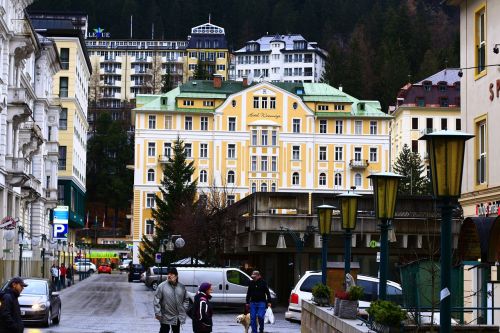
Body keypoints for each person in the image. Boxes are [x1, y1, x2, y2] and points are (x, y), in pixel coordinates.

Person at [153, 267, 189, 333]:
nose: (169, 275)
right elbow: (156, 299)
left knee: (176, 331)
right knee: (164, 331)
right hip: (165, 315)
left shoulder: (181, 287)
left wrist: (183, 308)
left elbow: (186, 299)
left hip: (177, 316)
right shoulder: (162, 286)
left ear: (176, 276)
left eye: (172, 274)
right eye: (168, 274)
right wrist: (157, 313)